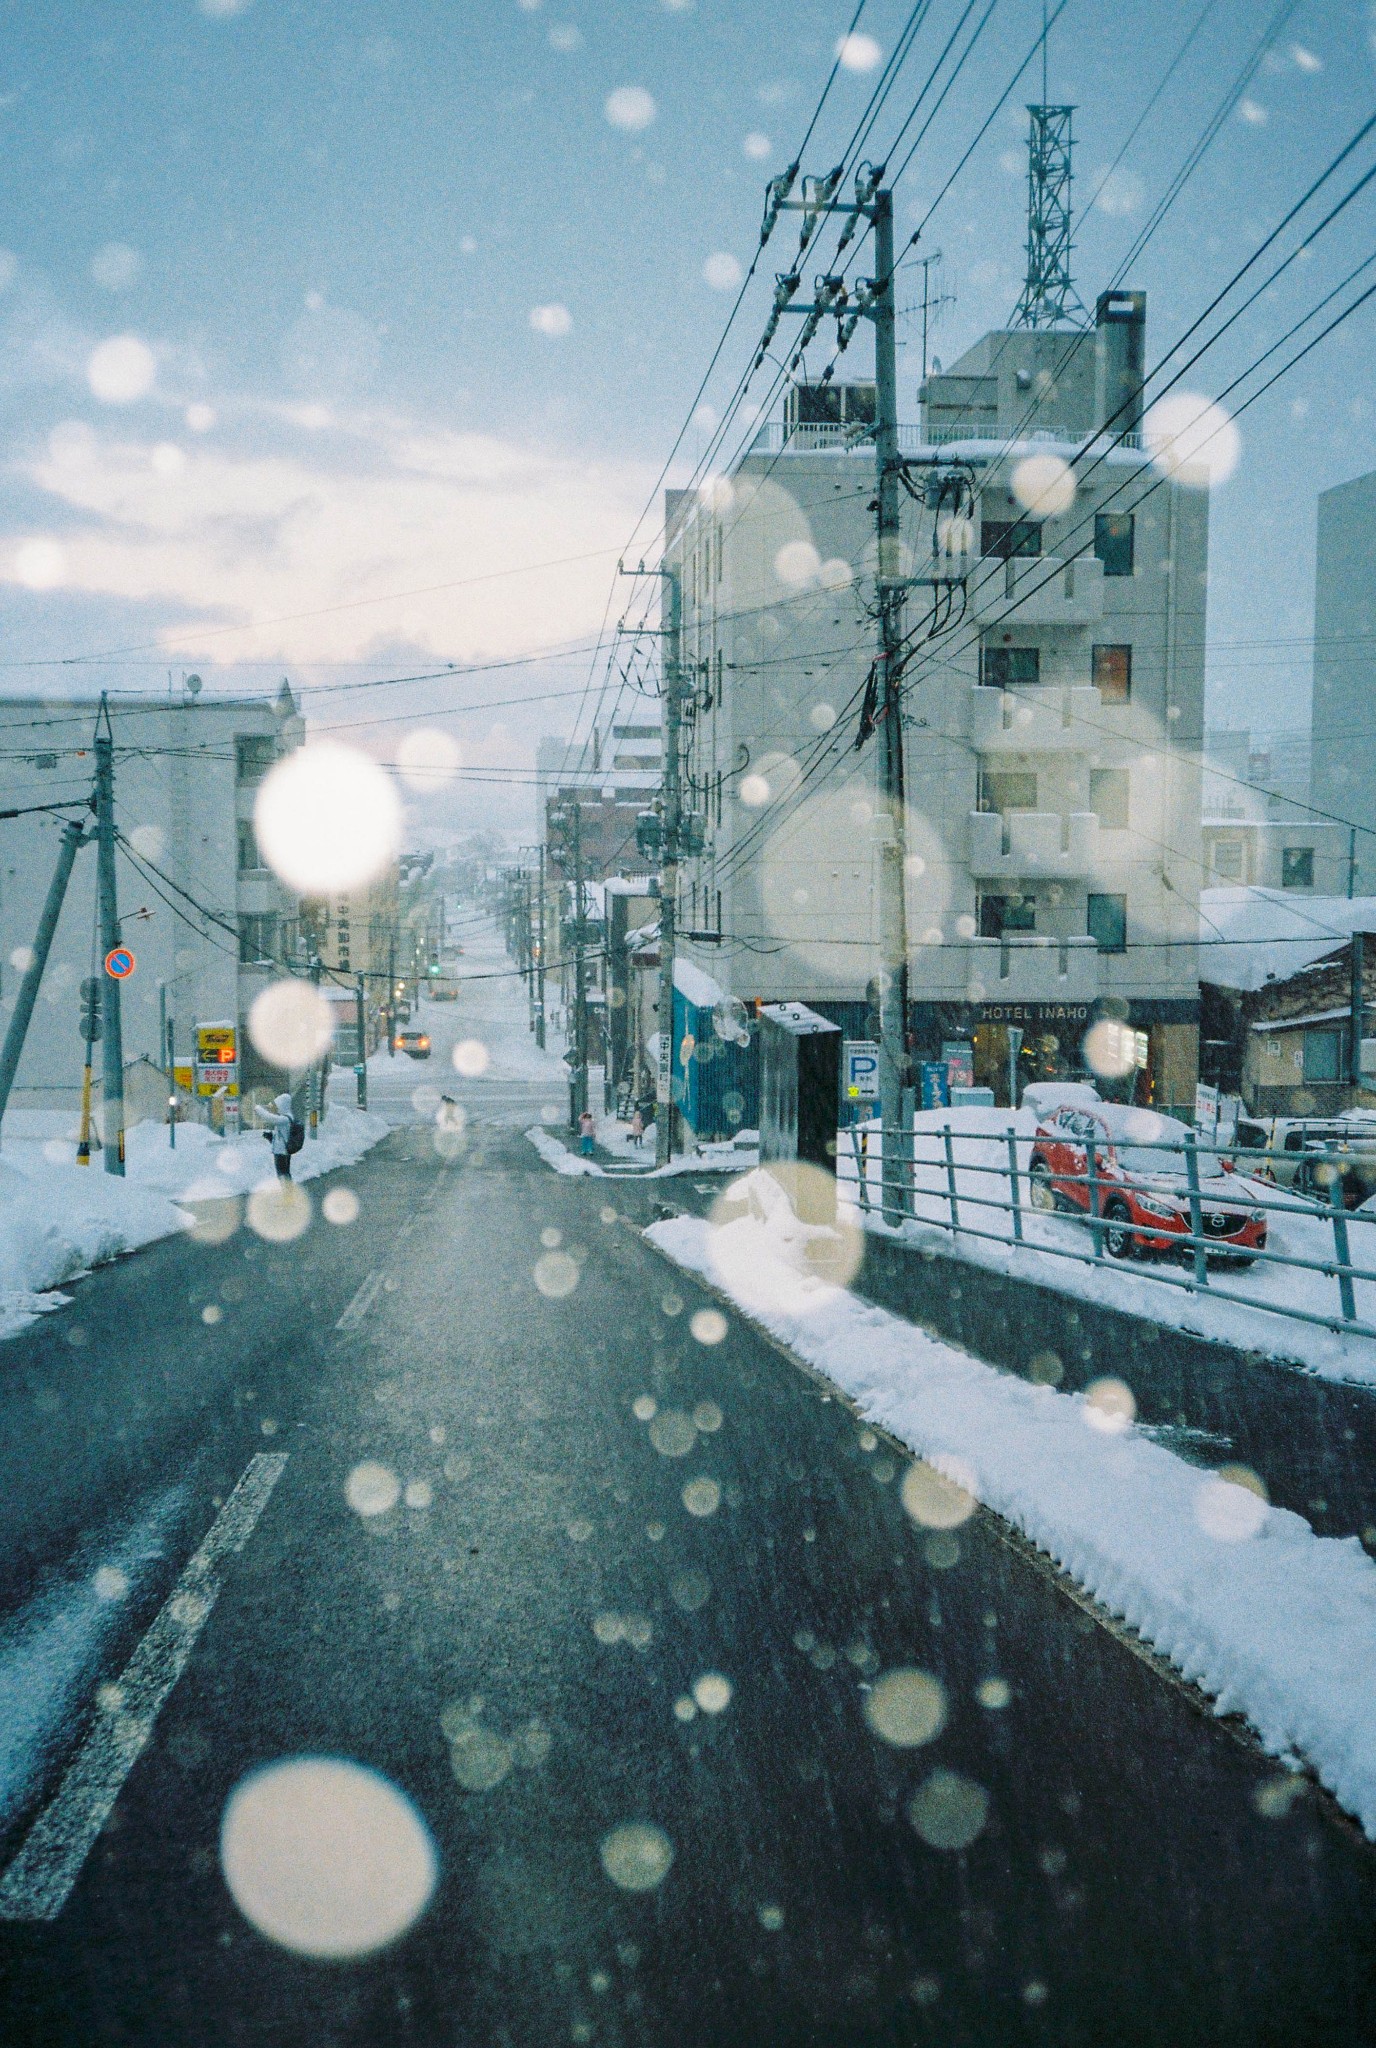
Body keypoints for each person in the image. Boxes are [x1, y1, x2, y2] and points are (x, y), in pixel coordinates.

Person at [255, 1091, 296, 1180]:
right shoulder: (286, 1117)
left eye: (278, 1106)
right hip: (282, 1149)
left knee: (282, 1174)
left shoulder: (285, 1118)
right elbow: (282, 1135)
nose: (276, 1108)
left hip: (282, 1151)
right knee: (284, 1173)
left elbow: (269, 1118)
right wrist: (271, 1136)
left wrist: (258, 1109)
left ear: (283, 1105)